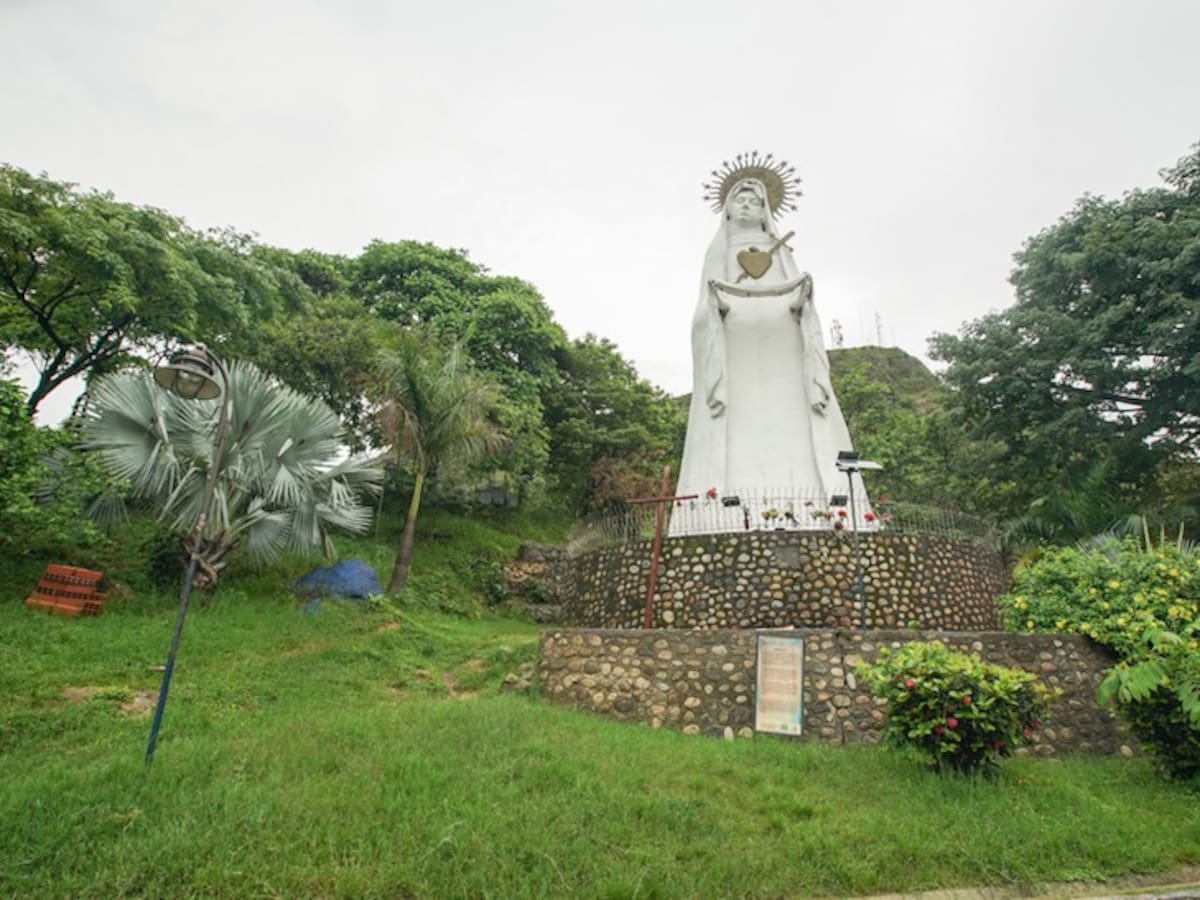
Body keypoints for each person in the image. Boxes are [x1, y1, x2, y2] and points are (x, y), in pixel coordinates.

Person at [671, 175, 869, 535]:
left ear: (765, 210)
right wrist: (714, 309)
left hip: (784, 351)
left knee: (794, 416)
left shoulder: (781, 250)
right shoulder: (719, 251)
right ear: (727, 209)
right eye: (739, 200)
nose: (746, 206)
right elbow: (702, 311)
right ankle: (719, 511)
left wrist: (803, 300)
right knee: (736, 424)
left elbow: (801, 305)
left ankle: (818, 509)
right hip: (735, 352)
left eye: (754, 201)